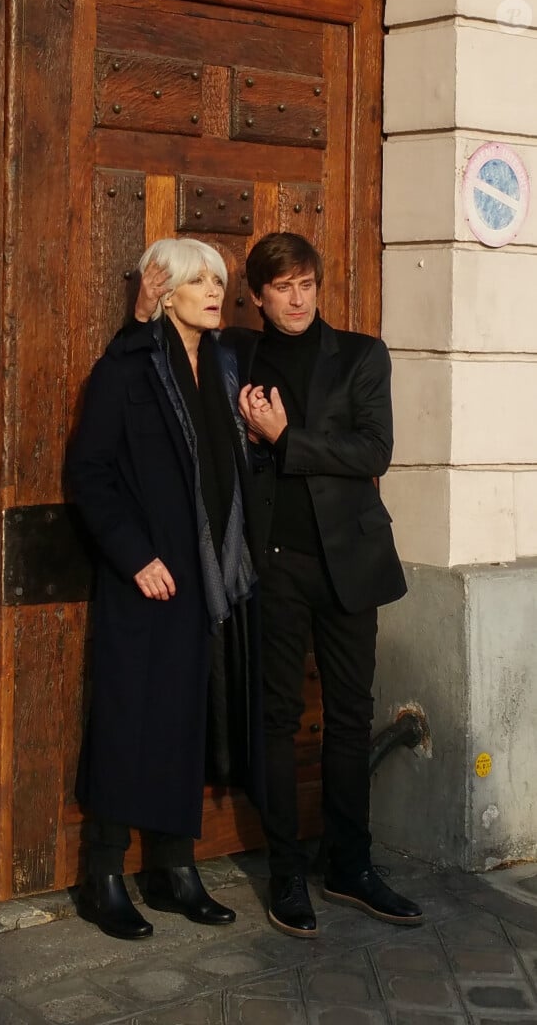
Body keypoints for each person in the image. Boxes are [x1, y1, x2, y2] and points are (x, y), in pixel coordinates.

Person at [67, 237, 263, 941]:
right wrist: (135, 556)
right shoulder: (127, 368)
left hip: (206, 577)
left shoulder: (225, 362)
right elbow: (89, 476)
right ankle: (103, 876)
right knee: (128, 718)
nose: (215, 290)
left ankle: (174, 869)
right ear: (165, 291)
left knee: (185, 719)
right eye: (198, 280)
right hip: (148, 577)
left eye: (218, 279)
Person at [230, 232, 423, 936]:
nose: (298, 299)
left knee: (348, 715)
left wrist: (285, 441)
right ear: (257, 294)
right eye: (282, 287)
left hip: (351, 561)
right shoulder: (236, 356)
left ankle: (350, 864)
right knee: (277, 720)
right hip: (276, 563)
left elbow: (375, 450)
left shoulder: (362, 355)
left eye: (307, 284)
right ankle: (286, 874)